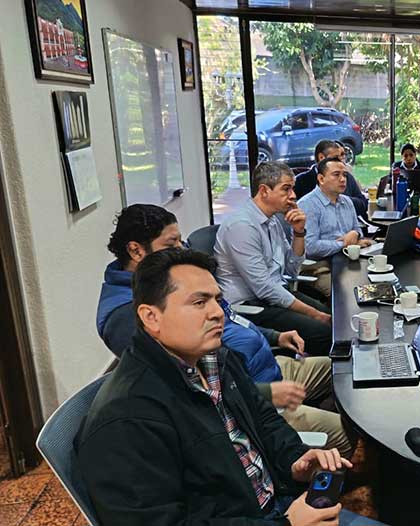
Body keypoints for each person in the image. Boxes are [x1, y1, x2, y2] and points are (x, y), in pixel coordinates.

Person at [78, 249, 377, 525]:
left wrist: (295, 460)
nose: (217, 312)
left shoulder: (215, 358)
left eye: (216, 300)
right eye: (199, 302)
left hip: (276, 505)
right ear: (151, 317)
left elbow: (265, 421)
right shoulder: (126, 418)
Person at [96, 205, 352, 456]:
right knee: (351, 433)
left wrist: (275, 336)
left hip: (262, 369)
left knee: (346, 369)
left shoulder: (178, 286)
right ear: (136, 250)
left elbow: (231, 319)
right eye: (171, 244)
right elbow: (194, 394)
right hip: (249, 396)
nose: (181, 249)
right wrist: (263, 394)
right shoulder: (126, 317)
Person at [215, 161, 333, 356]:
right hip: (250, 306)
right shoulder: (242, 226)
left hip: (274, 295)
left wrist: (299, 232)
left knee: (332, 316)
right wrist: (314, 314)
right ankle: (319, 372)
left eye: (292, 188)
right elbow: (263, 288)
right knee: (324, 332)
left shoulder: (272, 221)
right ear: (264, 191)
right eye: (286, 189)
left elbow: (291, 270)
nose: (293, 195)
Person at [299, 157, 373, 262]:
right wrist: (345, 244)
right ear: (321, 179)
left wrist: (356, 234)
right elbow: (311, 247)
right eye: (336, 174)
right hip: (323, 263)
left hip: (348, 257)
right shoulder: (307, 205)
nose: (343, 179)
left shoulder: (347, 201)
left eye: (345, 175)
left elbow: (357, 229)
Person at [294, 139, 368, 217]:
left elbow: (363, 204)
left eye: (341, 156)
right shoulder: (301, 181)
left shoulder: (346, 177)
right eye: (335, 158)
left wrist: (341, 200)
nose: (341, 161)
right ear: (321, 157)